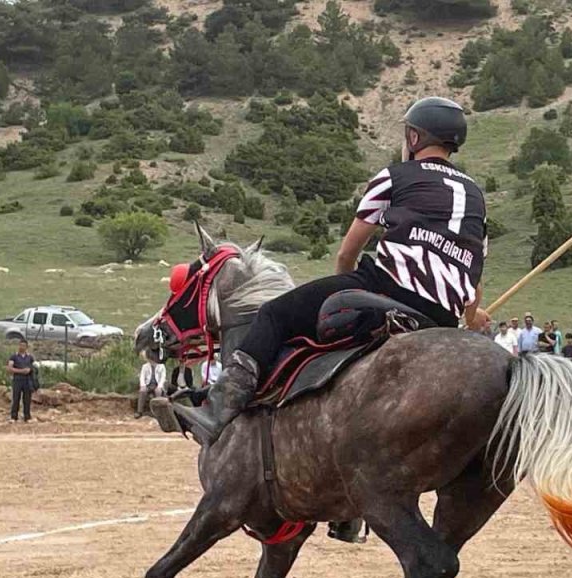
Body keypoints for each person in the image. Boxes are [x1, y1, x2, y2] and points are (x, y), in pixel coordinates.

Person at [176, 97, 490, 454]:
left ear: (415, 138)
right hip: (442, 316)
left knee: (275, 315)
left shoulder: (394, 176)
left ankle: (217, 409)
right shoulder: (476, 197)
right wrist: (472, 316)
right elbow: (473, 274)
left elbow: (348, 252)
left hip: (388, 291)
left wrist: (343, 294)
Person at [6, 339, 37, 422]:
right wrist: (21, 371)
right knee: (16, 398)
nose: (21, 347)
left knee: (27, 399)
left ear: (26, 347)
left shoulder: (30, 357)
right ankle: (13, 417)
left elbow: (33, 367)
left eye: (23, 345)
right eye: (20, 345)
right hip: (17, 379)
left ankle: (27, 417)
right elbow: (9, 368)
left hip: (27, 380)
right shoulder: (14, 356)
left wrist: (30, 370)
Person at [137, 351, 167, 419]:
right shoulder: (145, 366)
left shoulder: (161, 366)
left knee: (158, 392)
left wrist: (159, 386)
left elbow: (163, 377)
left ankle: (158, 412)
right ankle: (139, 411)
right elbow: (142, 377)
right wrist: (143, 385)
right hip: (148, 384)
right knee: (142, 391)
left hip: (157, 384)